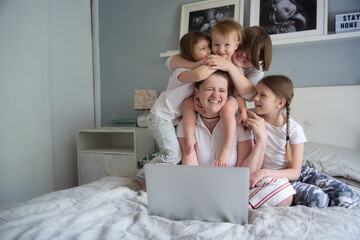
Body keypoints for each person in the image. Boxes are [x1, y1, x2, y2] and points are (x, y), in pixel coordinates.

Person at [178, 71, 293, 208]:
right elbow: (190, 170)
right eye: (209, 89)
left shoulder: (239, 123)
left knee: (285, 189)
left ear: (228, 95)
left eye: (222, 90)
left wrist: (262, 140)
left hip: (235, 189)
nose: (216, 95)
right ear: (196, 92)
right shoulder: (186, 126)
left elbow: (246, 173)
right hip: (202, 190)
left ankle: (239, 205)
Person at [246, 75, 359, 209]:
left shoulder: (294, 129)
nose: (255, 98)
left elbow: (295, 172)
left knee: (348, 197)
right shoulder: (252, 119)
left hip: (298, 173)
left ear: (280, 103)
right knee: (317, 199)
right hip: (277, 181)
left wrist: (263, 172)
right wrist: (263, 173)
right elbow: (235, 102)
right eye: (256, 93)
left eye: (263, 95)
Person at [171, 19, 255, 167]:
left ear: (236, 46)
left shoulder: (237, 66)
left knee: (228, 108)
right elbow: (171, 62)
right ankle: (190, 136)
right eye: (216, 45)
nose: (221, 49)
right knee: (188, 103)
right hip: (209, 100)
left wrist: (243, 110)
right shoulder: (210, 59)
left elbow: (239, 94)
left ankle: (227, 147)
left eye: (227, 45)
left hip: (231, 101)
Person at [136, 30, 212, 188]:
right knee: (173, 154)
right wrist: (218, 62)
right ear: (190, 53)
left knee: (175, 154)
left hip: (170, 120)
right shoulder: (181, 72)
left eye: (209, 47)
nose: (209, 51)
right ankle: (142, 175)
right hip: (159, 117)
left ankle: (160, 177)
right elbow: (198, 75)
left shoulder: (196, 74)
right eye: (203, 48)